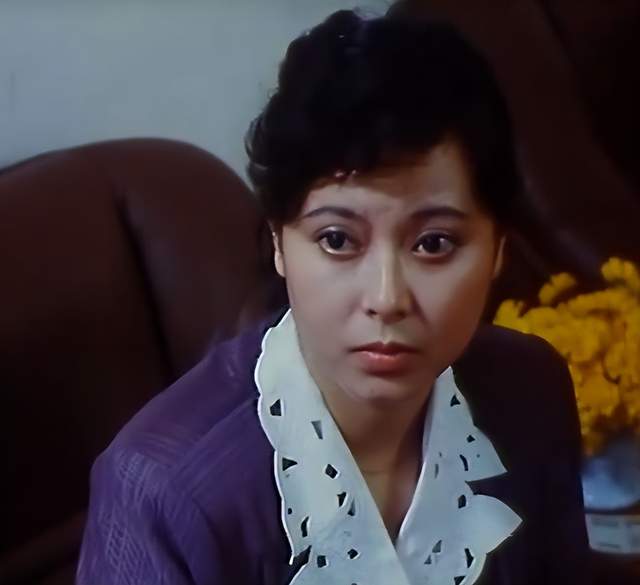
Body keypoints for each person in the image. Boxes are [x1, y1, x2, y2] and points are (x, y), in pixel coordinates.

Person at [76, 8, 591, 585]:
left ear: (498, 249)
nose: (387, 298)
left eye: (434, 243)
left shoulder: (531, 391)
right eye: (338, 240)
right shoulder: (162, 494)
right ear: (279, 242)